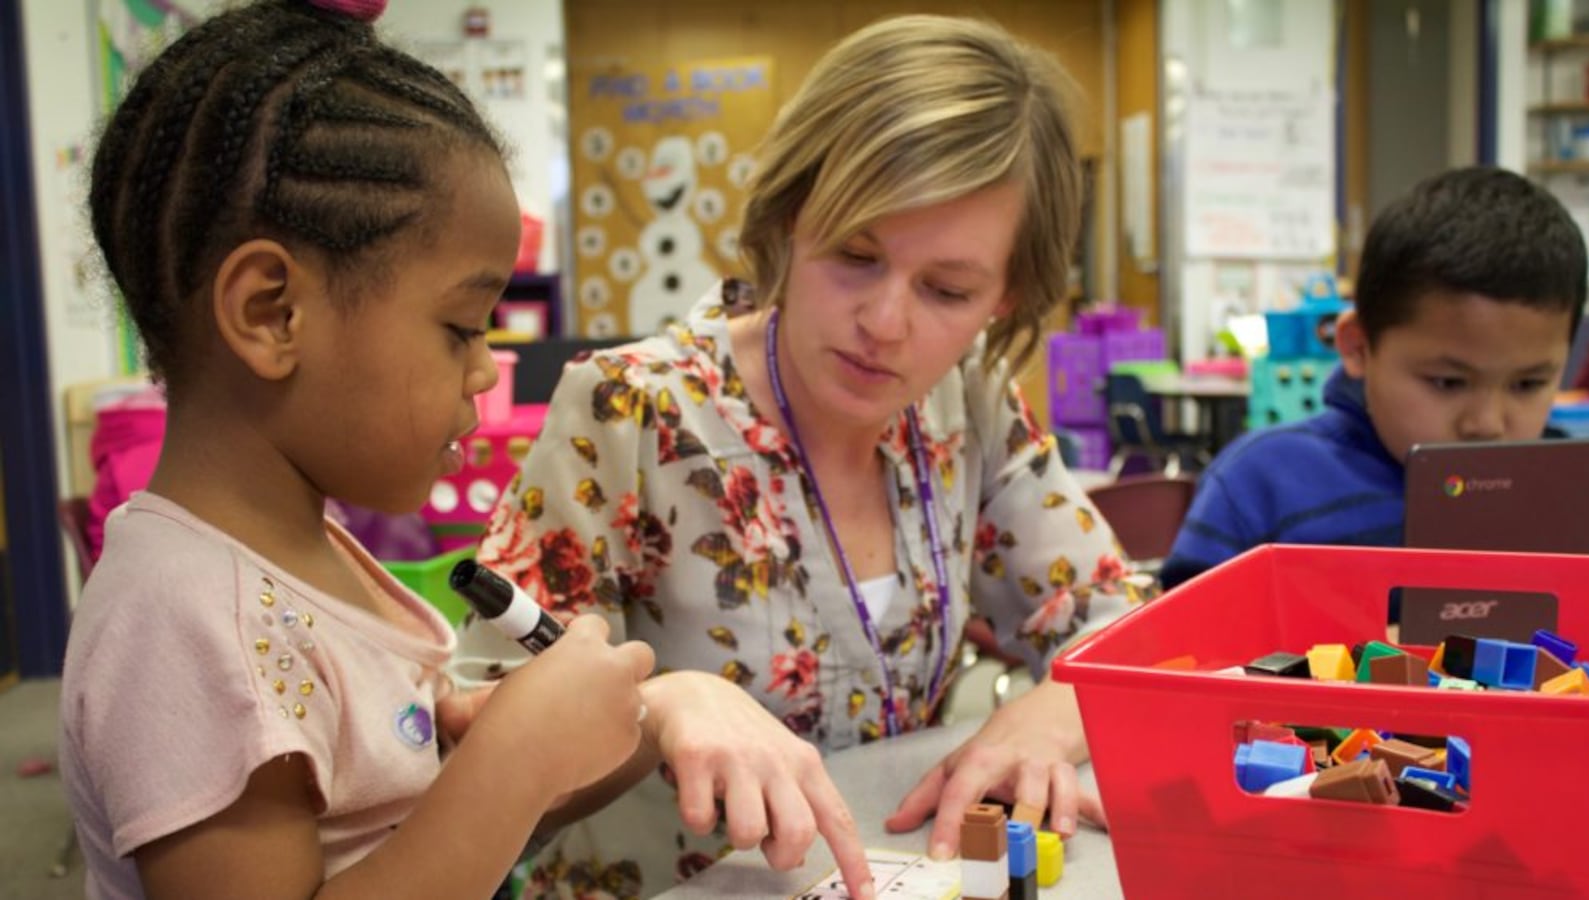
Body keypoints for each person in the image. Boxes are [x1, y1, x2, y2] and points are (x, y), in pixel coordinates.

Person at [466, 14, 1152, 899]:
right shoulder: (630, 410)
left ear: (1006, 294)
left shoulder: (966, 401)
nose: (887, 322)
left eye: (948, 289)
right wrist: (655, 711)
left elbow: (1121, 618)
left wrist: (1054, 714)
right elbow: (466, 732)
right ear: (790, 218)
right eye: (855, 256)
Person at [59, 2, 657, 898]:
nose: (485, 371)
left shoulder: (301, 552)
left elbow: (398, 838)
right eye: (459, 327)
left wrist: (620, 727)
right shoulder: (182, 623)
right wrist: (514, 764)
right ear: (272, 314)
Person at [1161, 167, 1588, 592]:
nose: (1487, 424)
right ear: (1357, 347)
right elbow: (1182, 652)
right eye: (1447, 383)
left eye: (1528, 385)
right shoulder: (1257, 483)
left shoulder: (1574, 489)